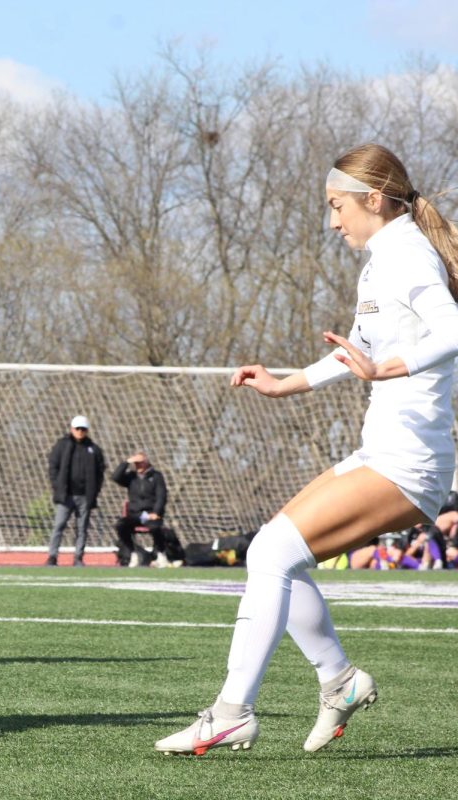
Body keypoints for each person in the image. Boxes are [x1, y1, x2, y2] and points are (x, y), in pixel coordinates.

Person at [156, 143, 458, 756]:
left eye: (336, 206)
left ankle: (232, 712)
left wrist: (386, 369)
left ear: (373, 199)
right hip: (382, 452)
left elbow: (452, 328)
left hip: (409, 463)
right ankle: (340, 681)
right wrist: (286, 382)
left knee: (271, 554)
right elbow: (357, 350)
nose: (332, 221)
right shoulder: (381, 259)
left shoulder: (406, 257)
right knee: (272, 551)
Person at [44, 415, 105, 566]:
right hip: (66, 495)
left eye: (83, 429)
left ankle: (78, 557)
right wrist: (57, 486)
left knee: (82, 528)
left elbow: (100, 472)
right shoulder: (62, 445)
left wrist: (94, 492)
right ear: (72, 429)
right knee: (59, 525)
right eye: (77, 429)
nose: (80, 432)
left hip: (85, 496)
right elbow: (53, 466)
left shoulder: (93, 449)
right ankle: (52, 556)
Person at [111, 451, 170, 567]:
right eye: (136, 463)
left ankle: (161, 554)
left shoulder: (156, 476)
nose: (138, 465)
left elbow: (161, 496)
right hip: (135, 514)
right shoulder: (131, 477)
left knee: (155, 527)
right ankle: (133, 553)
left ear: (146, 462)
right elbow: (115, 477)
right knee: (121, 525)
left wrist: (156, 512)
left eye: (140, 463)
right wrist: (126, 462)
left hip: (151, 513)